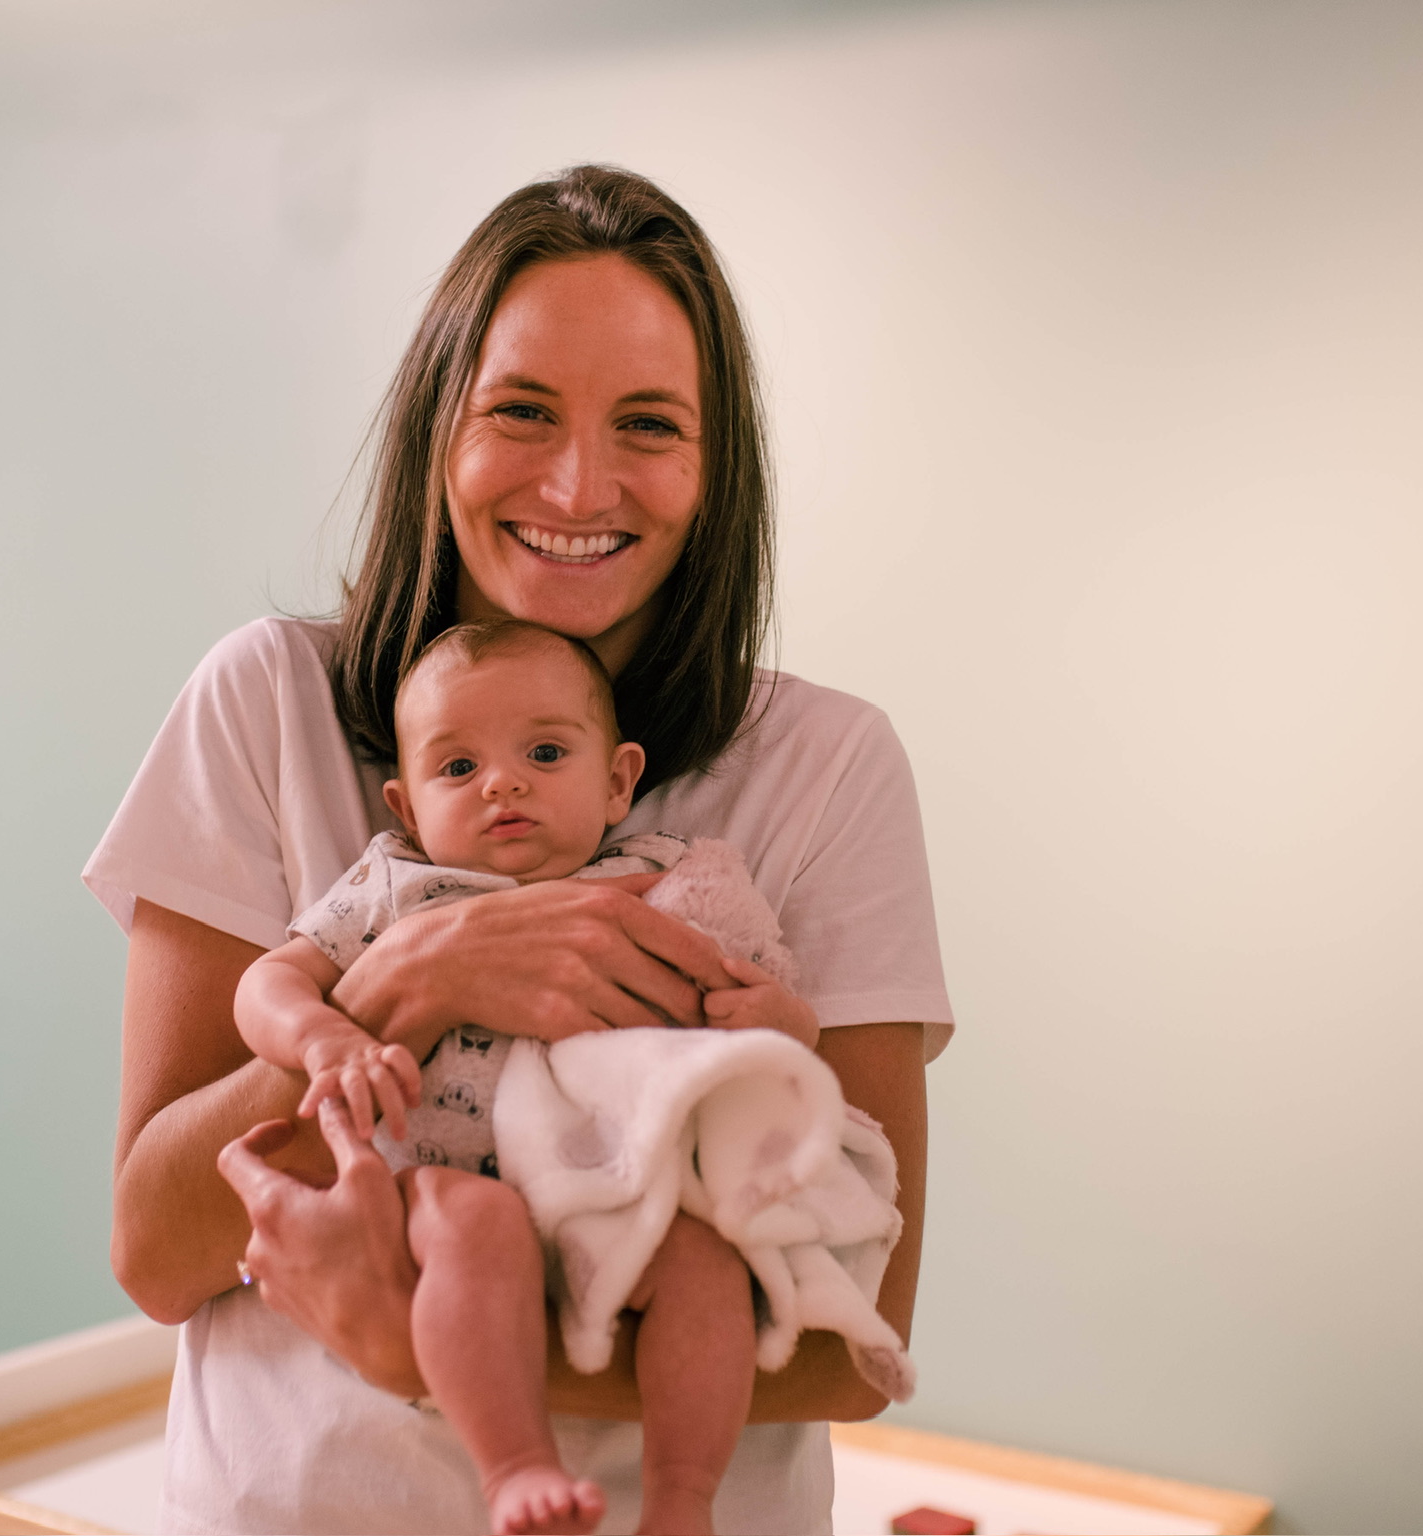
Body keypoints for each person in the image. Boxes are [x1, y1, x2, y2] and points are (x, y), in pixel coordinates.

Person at [86, 163, 954, 1535]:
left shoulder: (828, 768)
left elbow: (861, 1342)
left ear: (716, 468)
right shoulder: (265, 704)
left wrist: (408, 1350)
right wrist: (408, 982)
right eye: (524, 413)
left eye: (651, 426)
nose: (579, 483)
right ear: (442, 429)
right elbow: (153, 1249)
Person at [236, 617, 831, 1536]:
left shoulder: (666, 882)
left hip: (622, 1182)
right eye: (458, 769)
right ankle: (514, 1465)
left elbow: (771, 1001)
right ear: (405, 805)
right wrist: (323, 1040)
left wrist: (782, 1023)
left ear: (619, 780)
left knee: (707, 1263)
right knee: (476, 1228)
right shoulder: (395, 888)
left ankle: (681, 1500)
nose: (502, 783)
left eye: (545, 753)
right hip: (449, 1175)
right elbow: (268, 983)